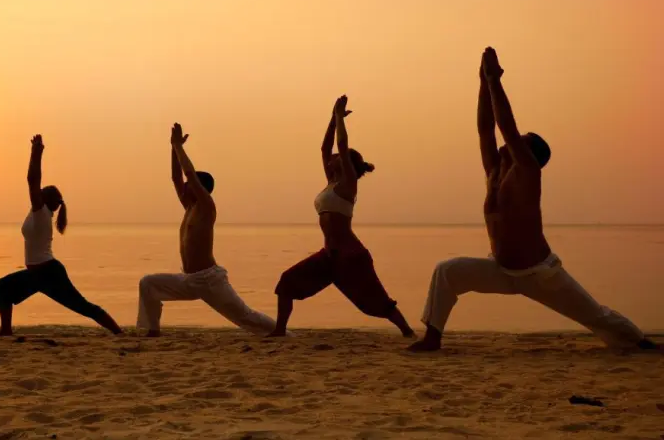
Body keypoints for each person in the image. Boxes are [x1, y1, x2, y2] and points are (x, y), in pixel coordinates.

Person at [408, 48, 658, 351]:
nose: (506, 145)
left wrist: (494, 80)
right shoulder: (494, 173)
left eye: (519, 145)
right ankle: (432, 338)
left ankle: (641, 343)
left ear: (527, 156)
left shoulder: (527, 172)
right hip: (501, 270)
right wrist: (482, 83)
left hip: (540, 274)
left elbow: (506, 129)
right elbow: (485, 130)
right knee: (447, 271)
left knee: (597, 316)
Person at [268, 95, 415, 338]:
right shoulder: (330, 182)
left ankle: (407, 331)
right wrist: (332, 119)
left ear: (346, 164)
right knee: (287, 282)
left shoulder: (348, 184)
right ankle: (279, 330)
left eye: (337, 157)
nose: (332, 157)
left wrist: (339, 118)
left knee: (376, 301)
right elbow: (325, 148)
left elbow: (342, 146)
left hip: (351, 256)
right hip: (328, 255)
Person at [136, 123, 277, 337]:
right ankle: (152, 330)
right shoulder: (190, 207)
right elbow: (176, 177)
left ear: (200, 188)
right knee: (148, 283)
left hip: (209, 280)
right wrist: (173, 148)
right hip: (189, 280)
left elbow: (189, 174)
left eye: (189, 184)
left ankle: (281, 333)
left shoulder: (206, 206)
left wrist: (179, 147)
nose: (184, 185)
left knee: (245, 316)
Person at [0, 135, 122, 336]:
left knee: (82, 306)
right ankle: (6, 330)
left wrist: (36, 153)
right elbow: (34, 185)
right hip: (40, 274)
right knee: (2, 288)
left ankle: (118, 332)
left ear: (44, 199)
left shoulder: (41, 213)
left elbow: (32, 180)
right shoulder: (41, 214)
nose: (36, 193)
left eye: (40, 192)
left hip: (47, 274)